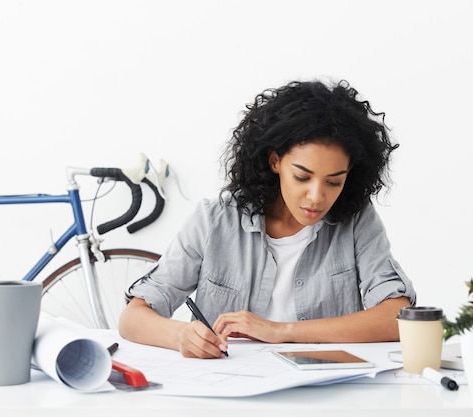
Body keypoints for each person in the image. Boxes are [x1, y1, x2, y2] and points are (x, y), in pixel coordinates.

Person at [119, 79, 416, 358]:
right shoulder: (214, 221)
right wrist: (182, 336)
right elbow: (133, 317)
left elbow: (399, 317)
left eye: (333, 182)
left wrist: (281, 331)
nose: (316, 196)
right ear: (275, 161)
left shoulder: (355, 221)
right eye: (302, 177)